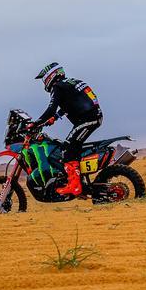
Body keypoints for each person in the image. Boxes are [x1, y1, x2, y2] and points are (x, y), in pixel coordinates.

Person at [33, 62, 102, 196]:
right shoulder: (71, 82)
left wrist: (36, 123)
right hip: (91, 117)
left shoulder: (57, 87)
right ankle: (80, 181)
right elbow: (71, 103)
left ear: (50, 76)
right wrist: (56, 117)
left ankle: (75, 186)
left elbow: (51, 108)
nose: (44, 83)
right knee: (73, 148)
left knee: (67, 150)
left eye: (44, 79)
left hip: (87, 120)